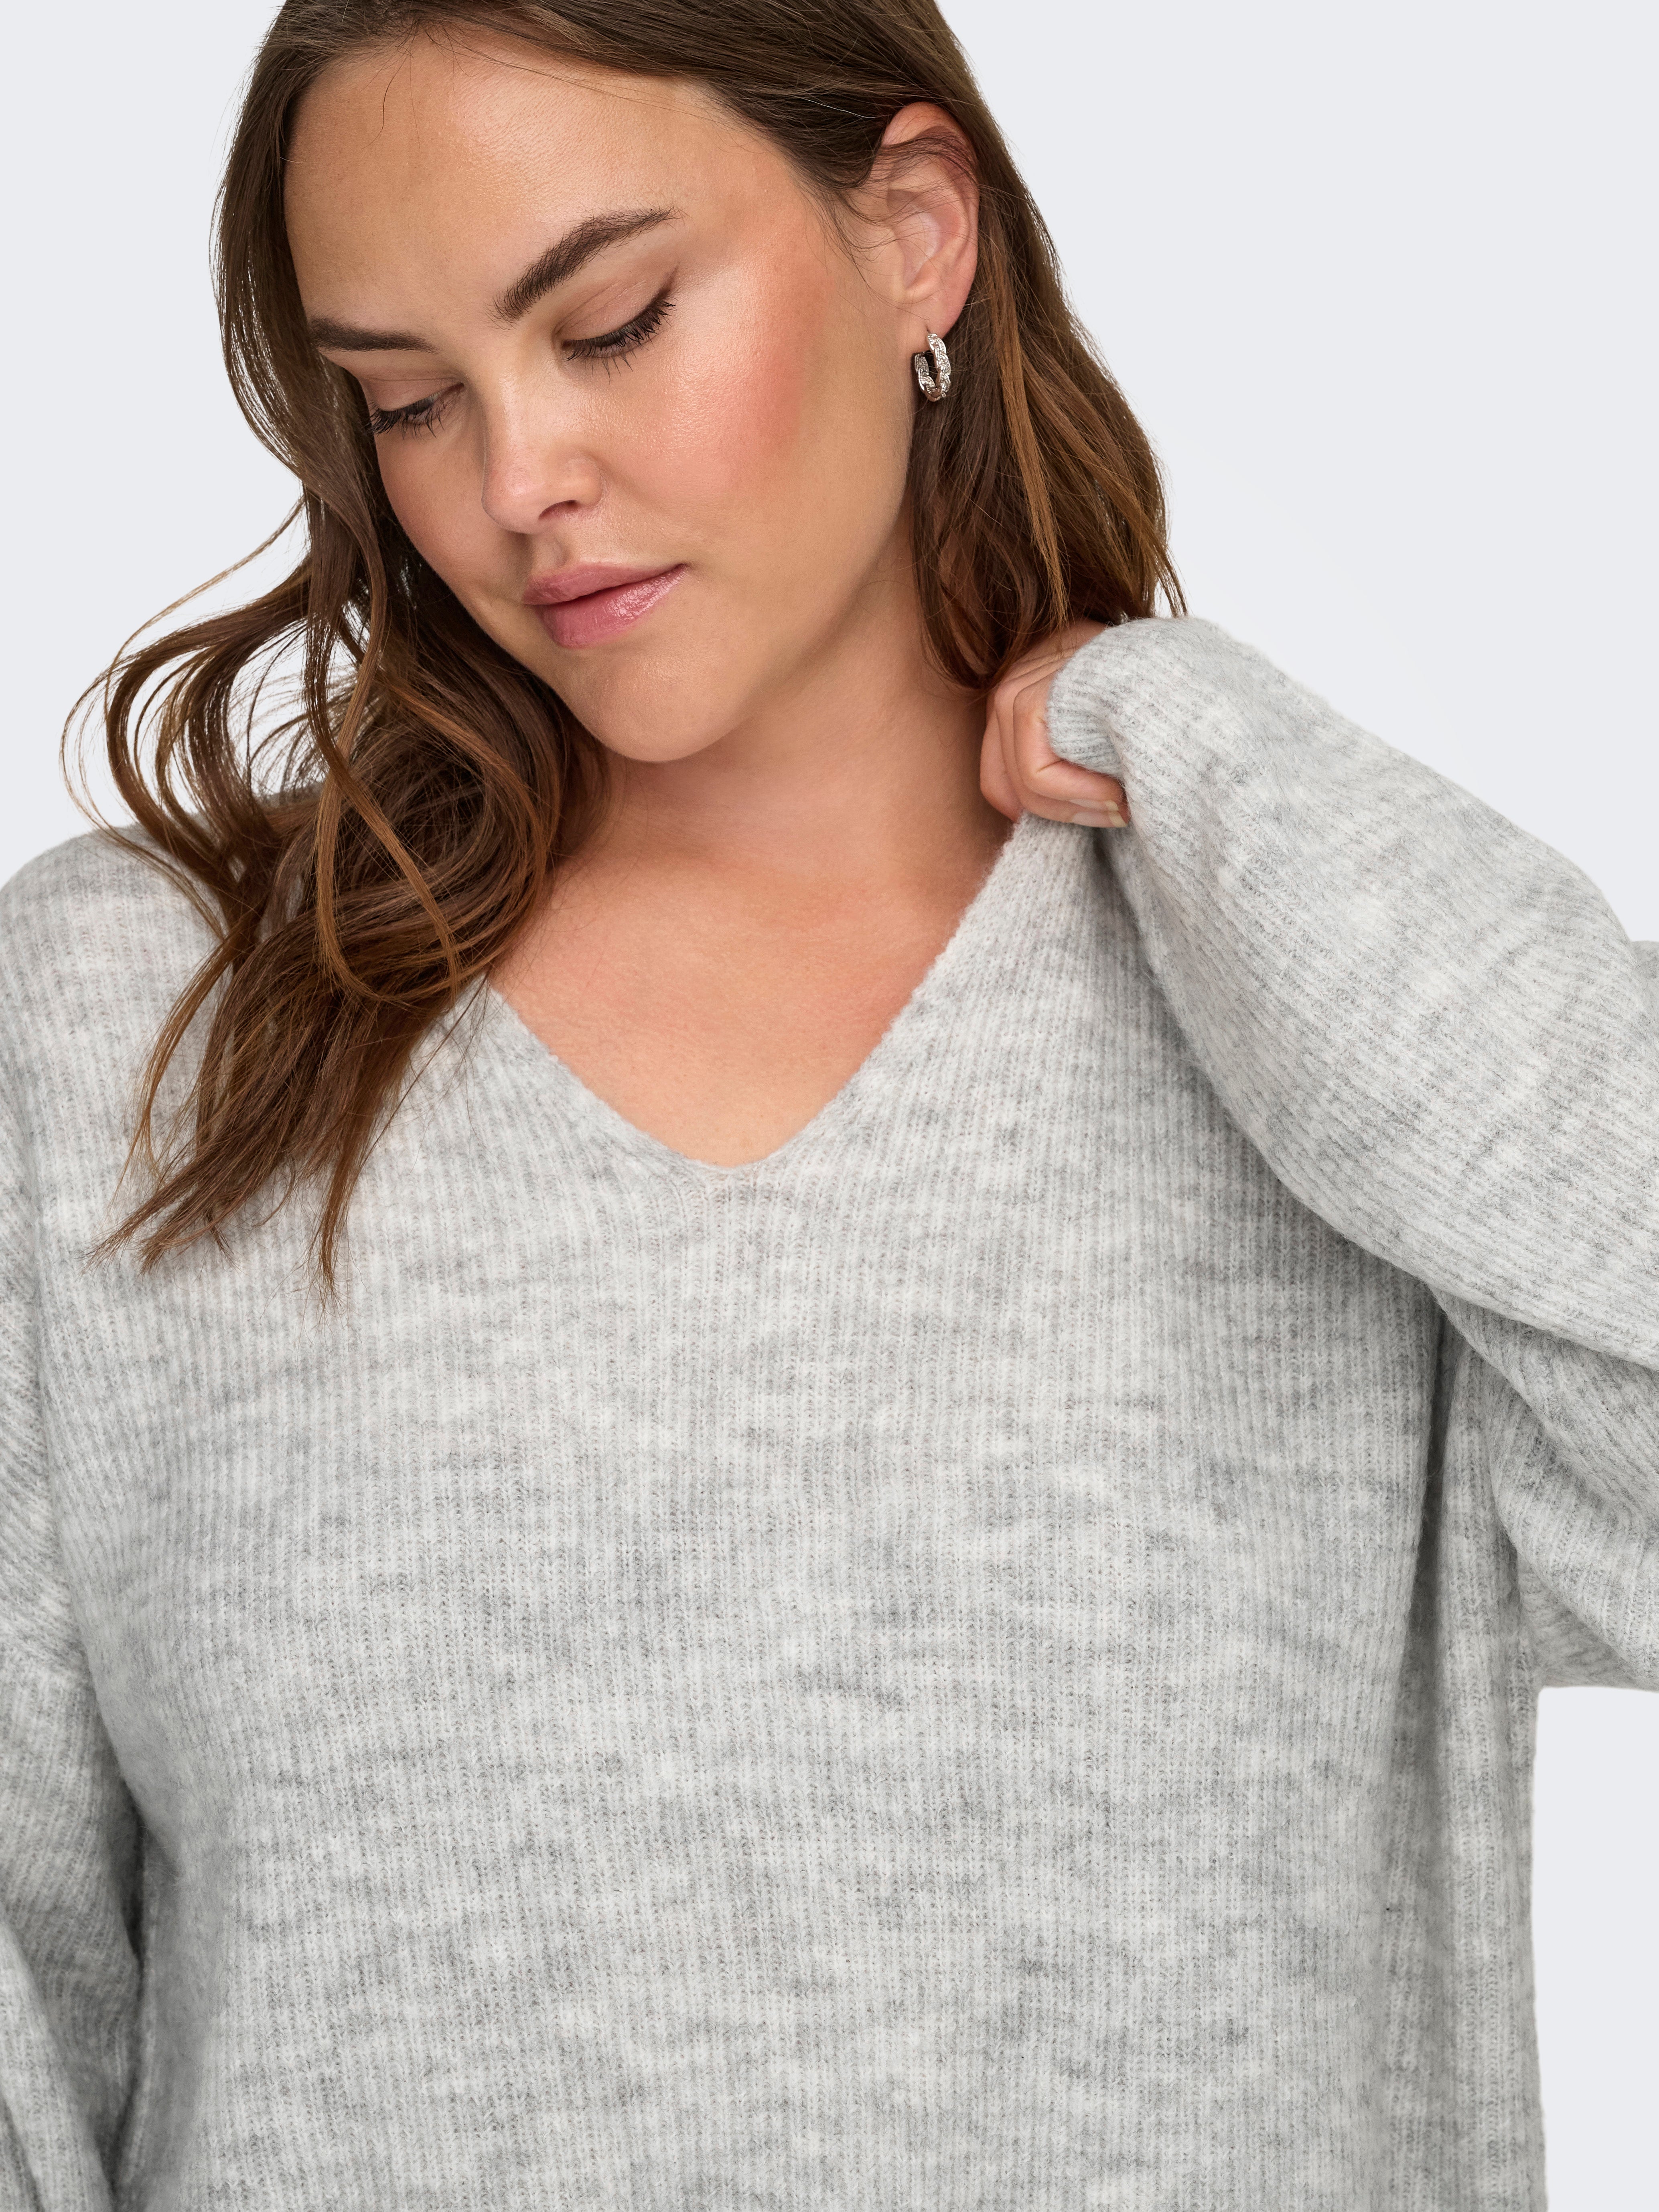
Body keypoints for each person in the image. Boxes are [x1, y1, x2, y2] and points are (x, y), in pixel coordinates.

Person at [2, 0, 1655, 2205]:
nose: (512, 482)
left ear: (912, 233)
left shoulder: (1298, 1024)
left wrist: (1219, 761)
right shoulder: (129, 1025)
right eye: (406, 399)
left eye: (610, 323)